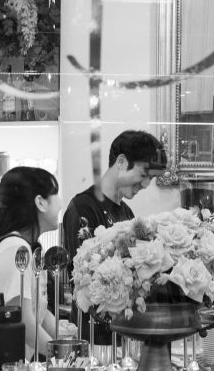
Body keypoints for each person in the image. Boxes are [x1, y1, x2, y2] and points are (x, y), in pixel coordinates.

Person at [60, 130, 168, 342]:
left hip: (123, 331)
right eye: (144, 174)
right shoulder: (83, 208)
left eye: (151, 179)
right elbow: (87, 277)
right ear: (121, 162)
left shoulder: (127, 213)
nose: (146, 185)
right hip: (94, 335)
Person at [0, 166, 72, 361]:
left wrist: (71, 340)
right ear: (40, 202)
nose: (61, 203)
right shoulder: (15, 248)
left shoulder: (26, 247)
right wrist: (66, 355)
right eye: (56, 194)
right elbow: (23, 324)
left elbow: (39, 314)